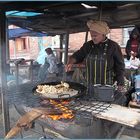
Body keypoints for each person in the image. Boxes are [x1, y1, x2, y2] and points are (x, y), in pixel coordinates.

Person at [66, 20, 125, 92]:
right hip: (89, 85)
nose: (93, 38)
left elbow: (120, 66)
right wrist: (70, 62)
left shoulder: (113, 46)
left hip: (106, 86)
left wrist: (120, 83)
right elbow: (77, 56)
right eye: (92, 36)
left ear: (103, 34)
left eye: (95, 36)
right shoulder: (88, 45)